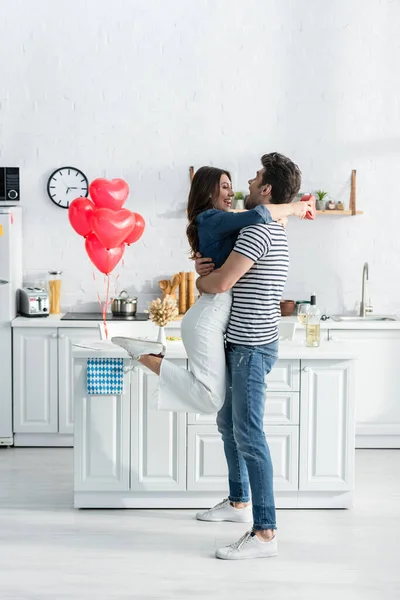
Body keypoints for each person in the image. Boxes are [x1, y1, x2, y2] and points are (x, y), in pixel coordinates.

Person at [112, 162, 311, 416]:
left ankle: (147, 355)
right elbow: (260, 216)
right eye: (225, 187)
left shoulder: (225, 222)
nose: (232, 193)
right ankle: (145, 355)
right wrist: (295, 208)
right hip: (210, 314)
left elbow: (263, 222)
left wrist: (284, 217)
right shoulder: (211, 218)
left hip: (213, 313)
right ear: (208, 193)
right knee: (210, 400)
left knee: (213, 399)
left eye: (231, 186)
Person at [193, 152, 302, 560]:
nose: (246, 186)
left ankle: (265, 533)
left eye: (255, 179)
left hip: (251, 348)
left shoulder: (258, 230)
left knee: (250, 435)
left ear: (267, 189)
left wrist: (201, 278)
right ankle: (239, 501)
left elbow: (220, 284)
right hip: (244, 342)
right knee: (228, 424)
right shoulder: (267, 224)